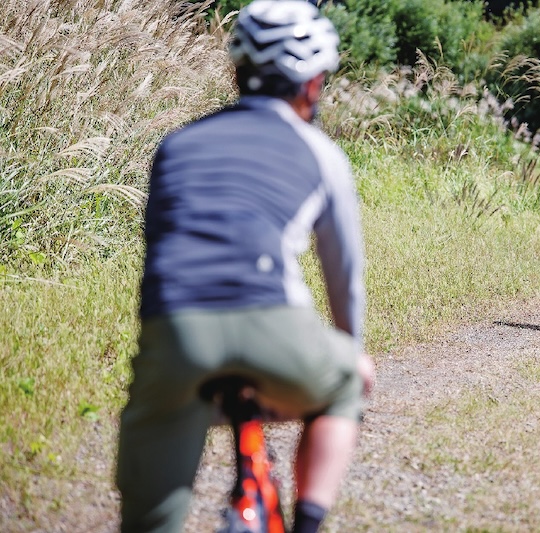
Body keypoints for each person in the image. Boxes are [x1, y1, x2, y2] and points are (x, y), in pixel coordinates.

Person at [115, 1, 374, 532]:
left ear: (238, 71)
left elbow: (161, 256)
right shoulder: (321, 153)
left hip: (177, 336)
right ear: (313, 82)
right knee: (345, 384)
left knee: (149, 508)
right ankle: (308, 523)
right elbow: (344, 276)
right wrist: (352, 352)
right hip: (276, 330)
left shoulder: (175, 146)